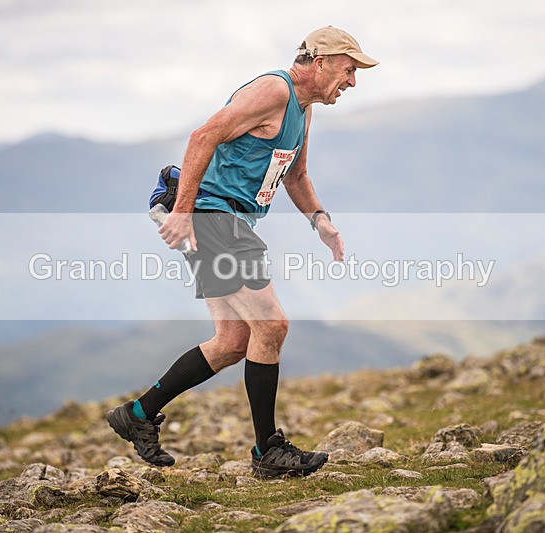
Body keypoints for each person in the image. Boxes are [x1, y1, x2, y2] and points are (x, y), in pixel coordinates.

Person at [108, 26, 378, 478]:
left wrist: (320, 220)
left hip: (233, 220)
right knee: (271, 326)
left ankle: (137, 414)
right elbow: (202, 137)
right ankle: (267, 451)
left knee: (232, 342)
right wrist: (183, 212)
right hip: (215, 217)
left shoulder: (303, 108)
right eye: (349, 70)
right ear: (321, 62)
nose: (352, 81)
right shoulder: (273, 90)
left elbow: (295, 175)